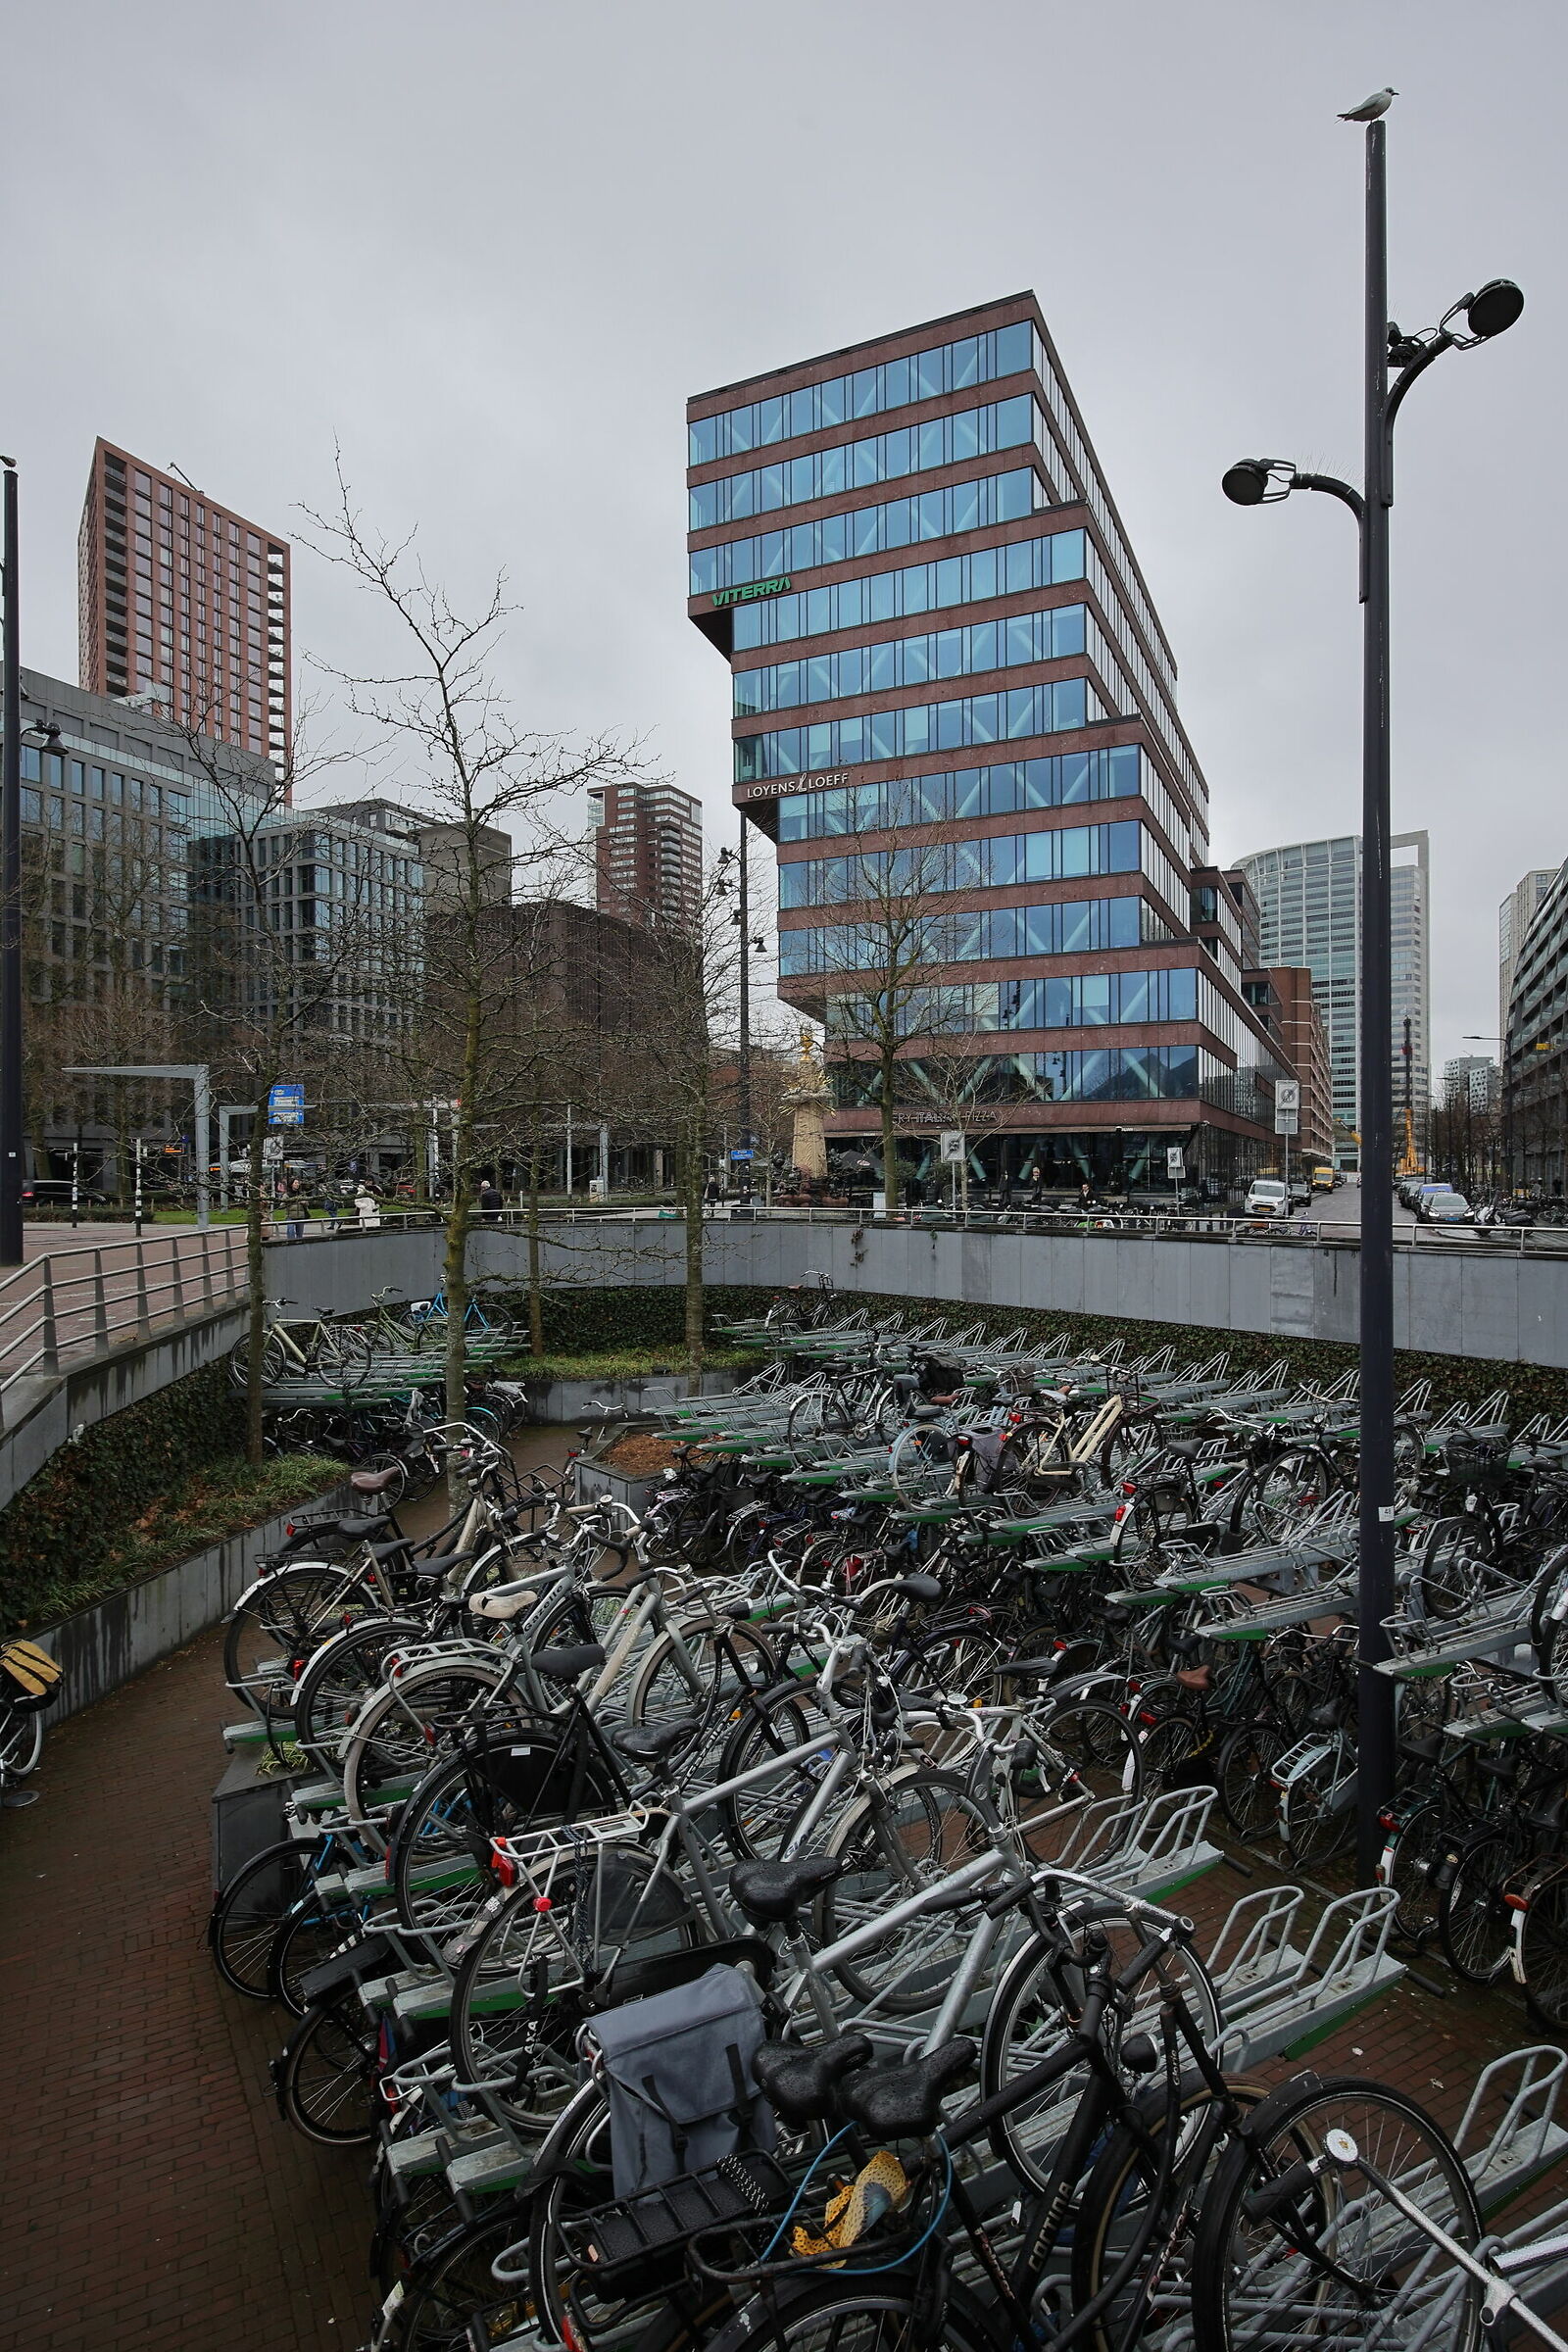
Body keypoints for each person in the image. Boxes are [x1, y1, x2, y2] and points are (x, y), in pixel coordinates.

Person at [283, 1175, 306, 1241]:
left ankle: (299, 1244)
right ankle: (291, 1243)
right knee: (291, 1231)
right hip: (291, 1216)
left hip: (300, 1216)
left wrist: (304, 1203)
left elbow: (307, 1203)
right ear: (291, 1184)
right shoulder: (287, 1195)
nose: (297, 1184)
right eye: (295, 1183)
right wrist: (289, 1202)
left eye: (298, 1183)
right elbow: (281, 1205)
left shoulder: (301, 1194)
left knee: (300, 1234)